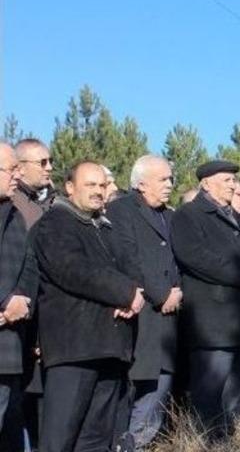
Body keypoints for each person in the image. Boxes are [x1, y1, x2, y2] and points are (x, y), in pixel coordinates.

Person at [32, 161, 145, 452]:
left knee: (95, 440)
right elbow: (73, 269)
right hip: (74, 348)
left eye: (102, 185)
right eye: (90, 185)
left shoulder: (104, 227)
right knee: (59, 439)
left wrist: (132, 296)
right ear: (70, 187)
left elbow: (130, 267)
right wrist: (125, 292)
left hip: (110, 346)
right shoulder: (55, 223)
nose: (98, 191)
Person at [170, 160, 240, 434]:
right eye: (227, 180)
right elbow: (195, 257)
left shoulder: (237, 217)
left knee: (234, 392)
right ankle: (205, 441)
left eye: (234, 180)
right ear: (206, 183)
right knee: (209, 391)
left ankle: (226, 438)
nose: (233, 185)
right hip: (212, 323)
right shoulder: (187, 215)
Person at [105, 155, 181, 448]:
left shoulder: (169, 216)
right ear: (141, 183)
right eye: (163, 179)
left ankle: (138, 443)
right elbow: (127, 257)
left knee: (158, 391)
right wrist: (162, 294)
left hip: (167, 320)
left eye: (170, 178)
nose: (169, 184)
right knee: (131, 392)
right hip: (139, 318)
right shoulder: (121, 210)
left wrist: (177, 291)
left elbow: (179, 259)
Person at [11, 138, 54, 450]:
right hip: (19, 324)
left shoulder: (39, 206)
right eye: (42, 162)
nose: (49, 168)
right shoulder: (15, 209)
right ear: (20, 167)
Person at [0, 143, 36, 452]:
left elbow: (28, 266)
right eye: (11, 169)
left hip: (9, 345)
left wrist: (21, 301)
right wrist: (3, 301)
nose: (17, 175)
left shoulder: (15, 216)